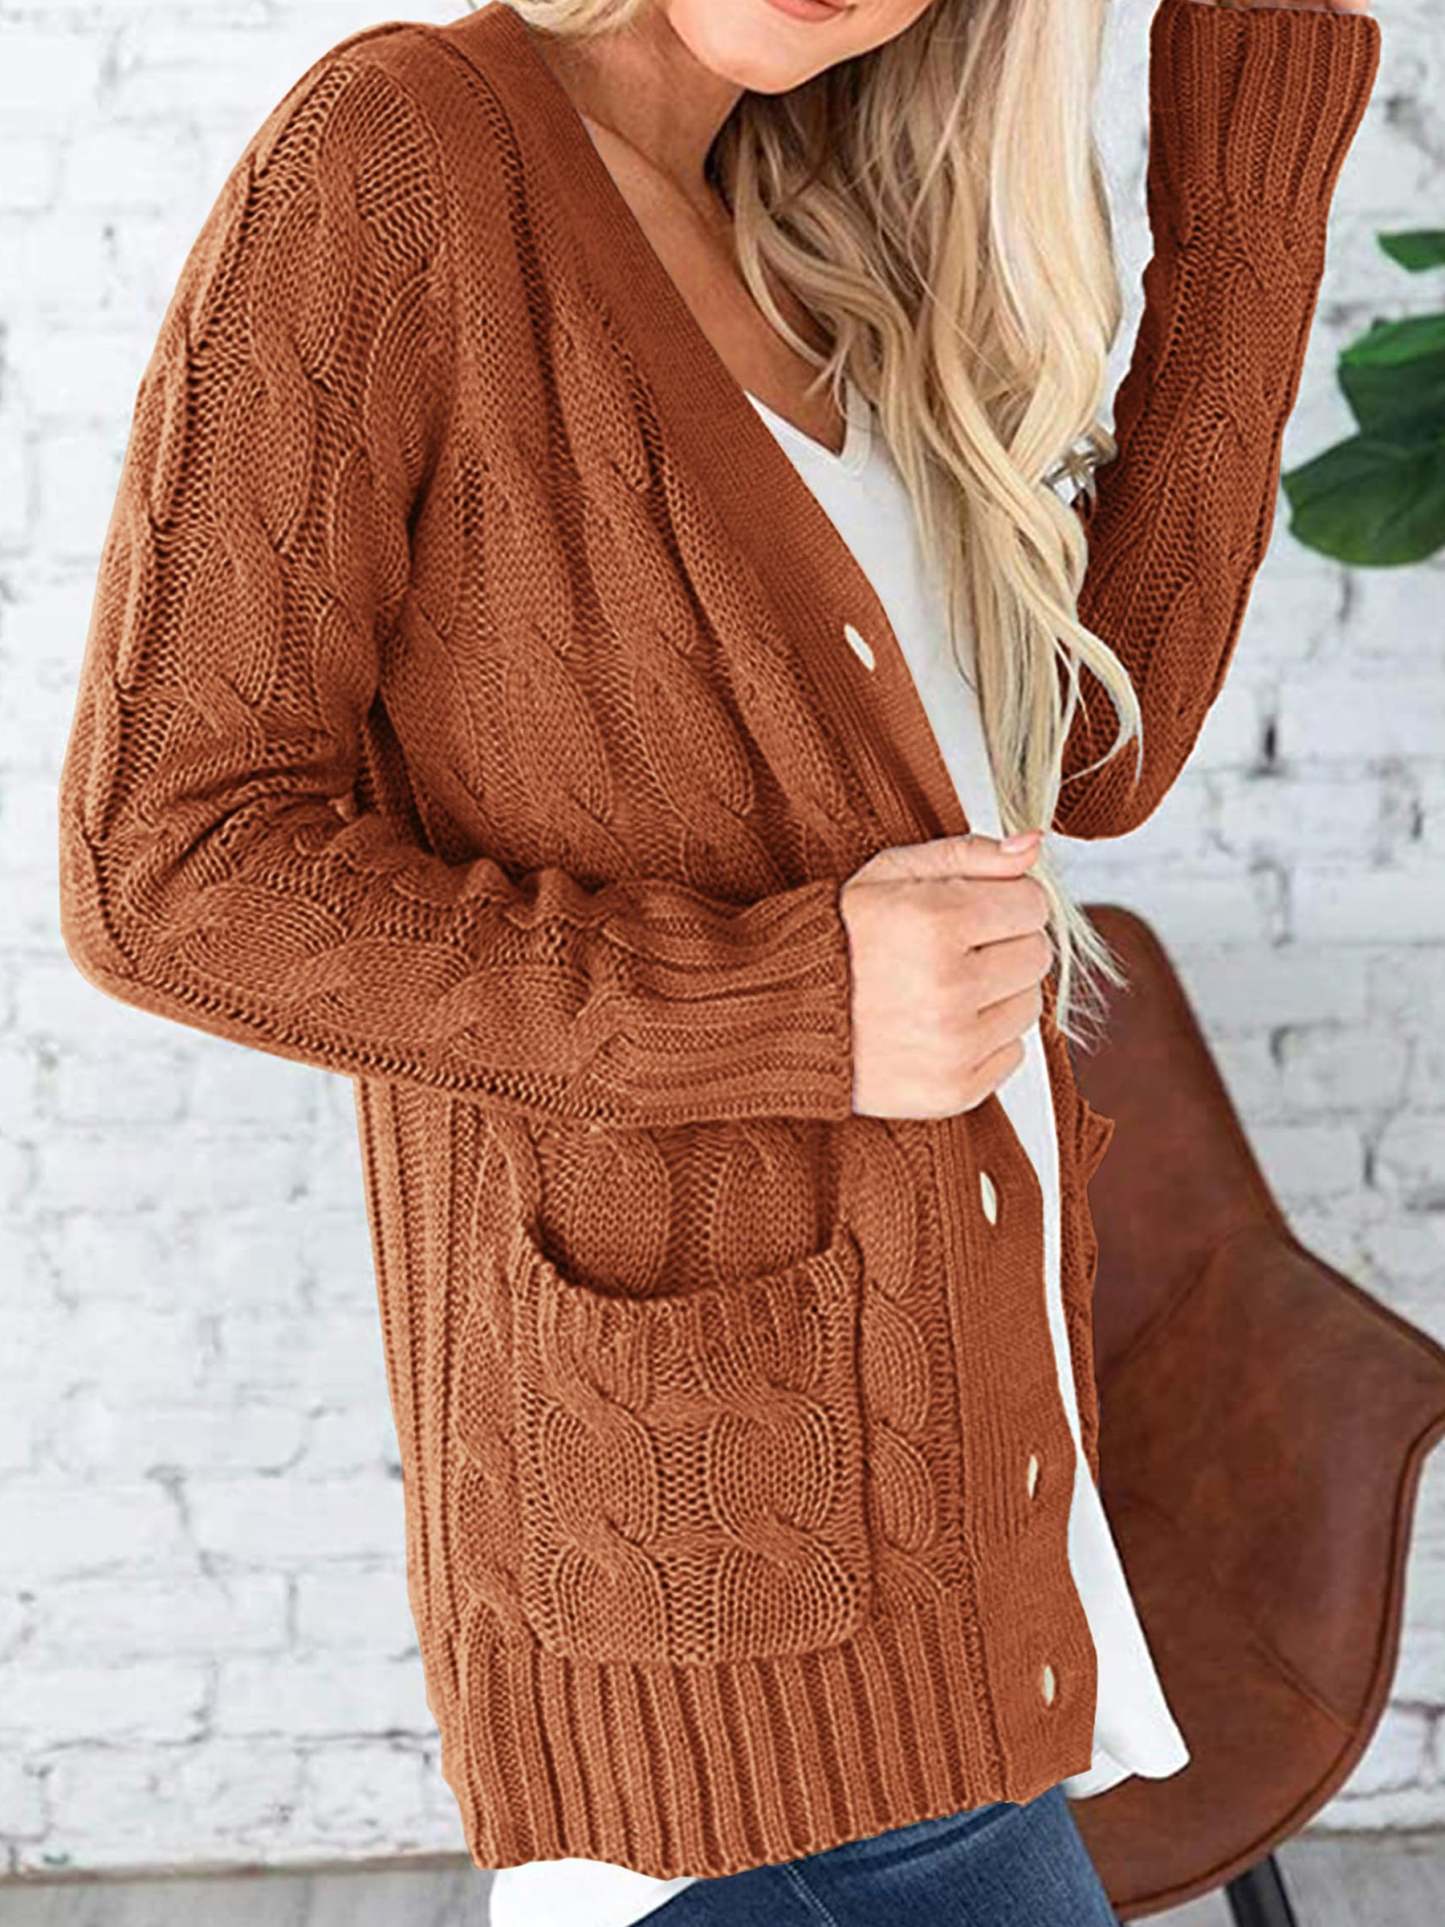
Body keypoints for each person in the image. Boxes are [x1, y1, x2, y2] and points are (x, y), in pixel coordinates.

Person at [55, 0, 1380, 1922]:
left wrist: (1243, 182)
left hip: (955, 1552)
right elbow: (166, 871)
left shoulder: (819, 236)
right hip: (726, 1604)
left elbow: (1095, 741)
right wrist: (796, 1006)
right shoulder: (400, 157)